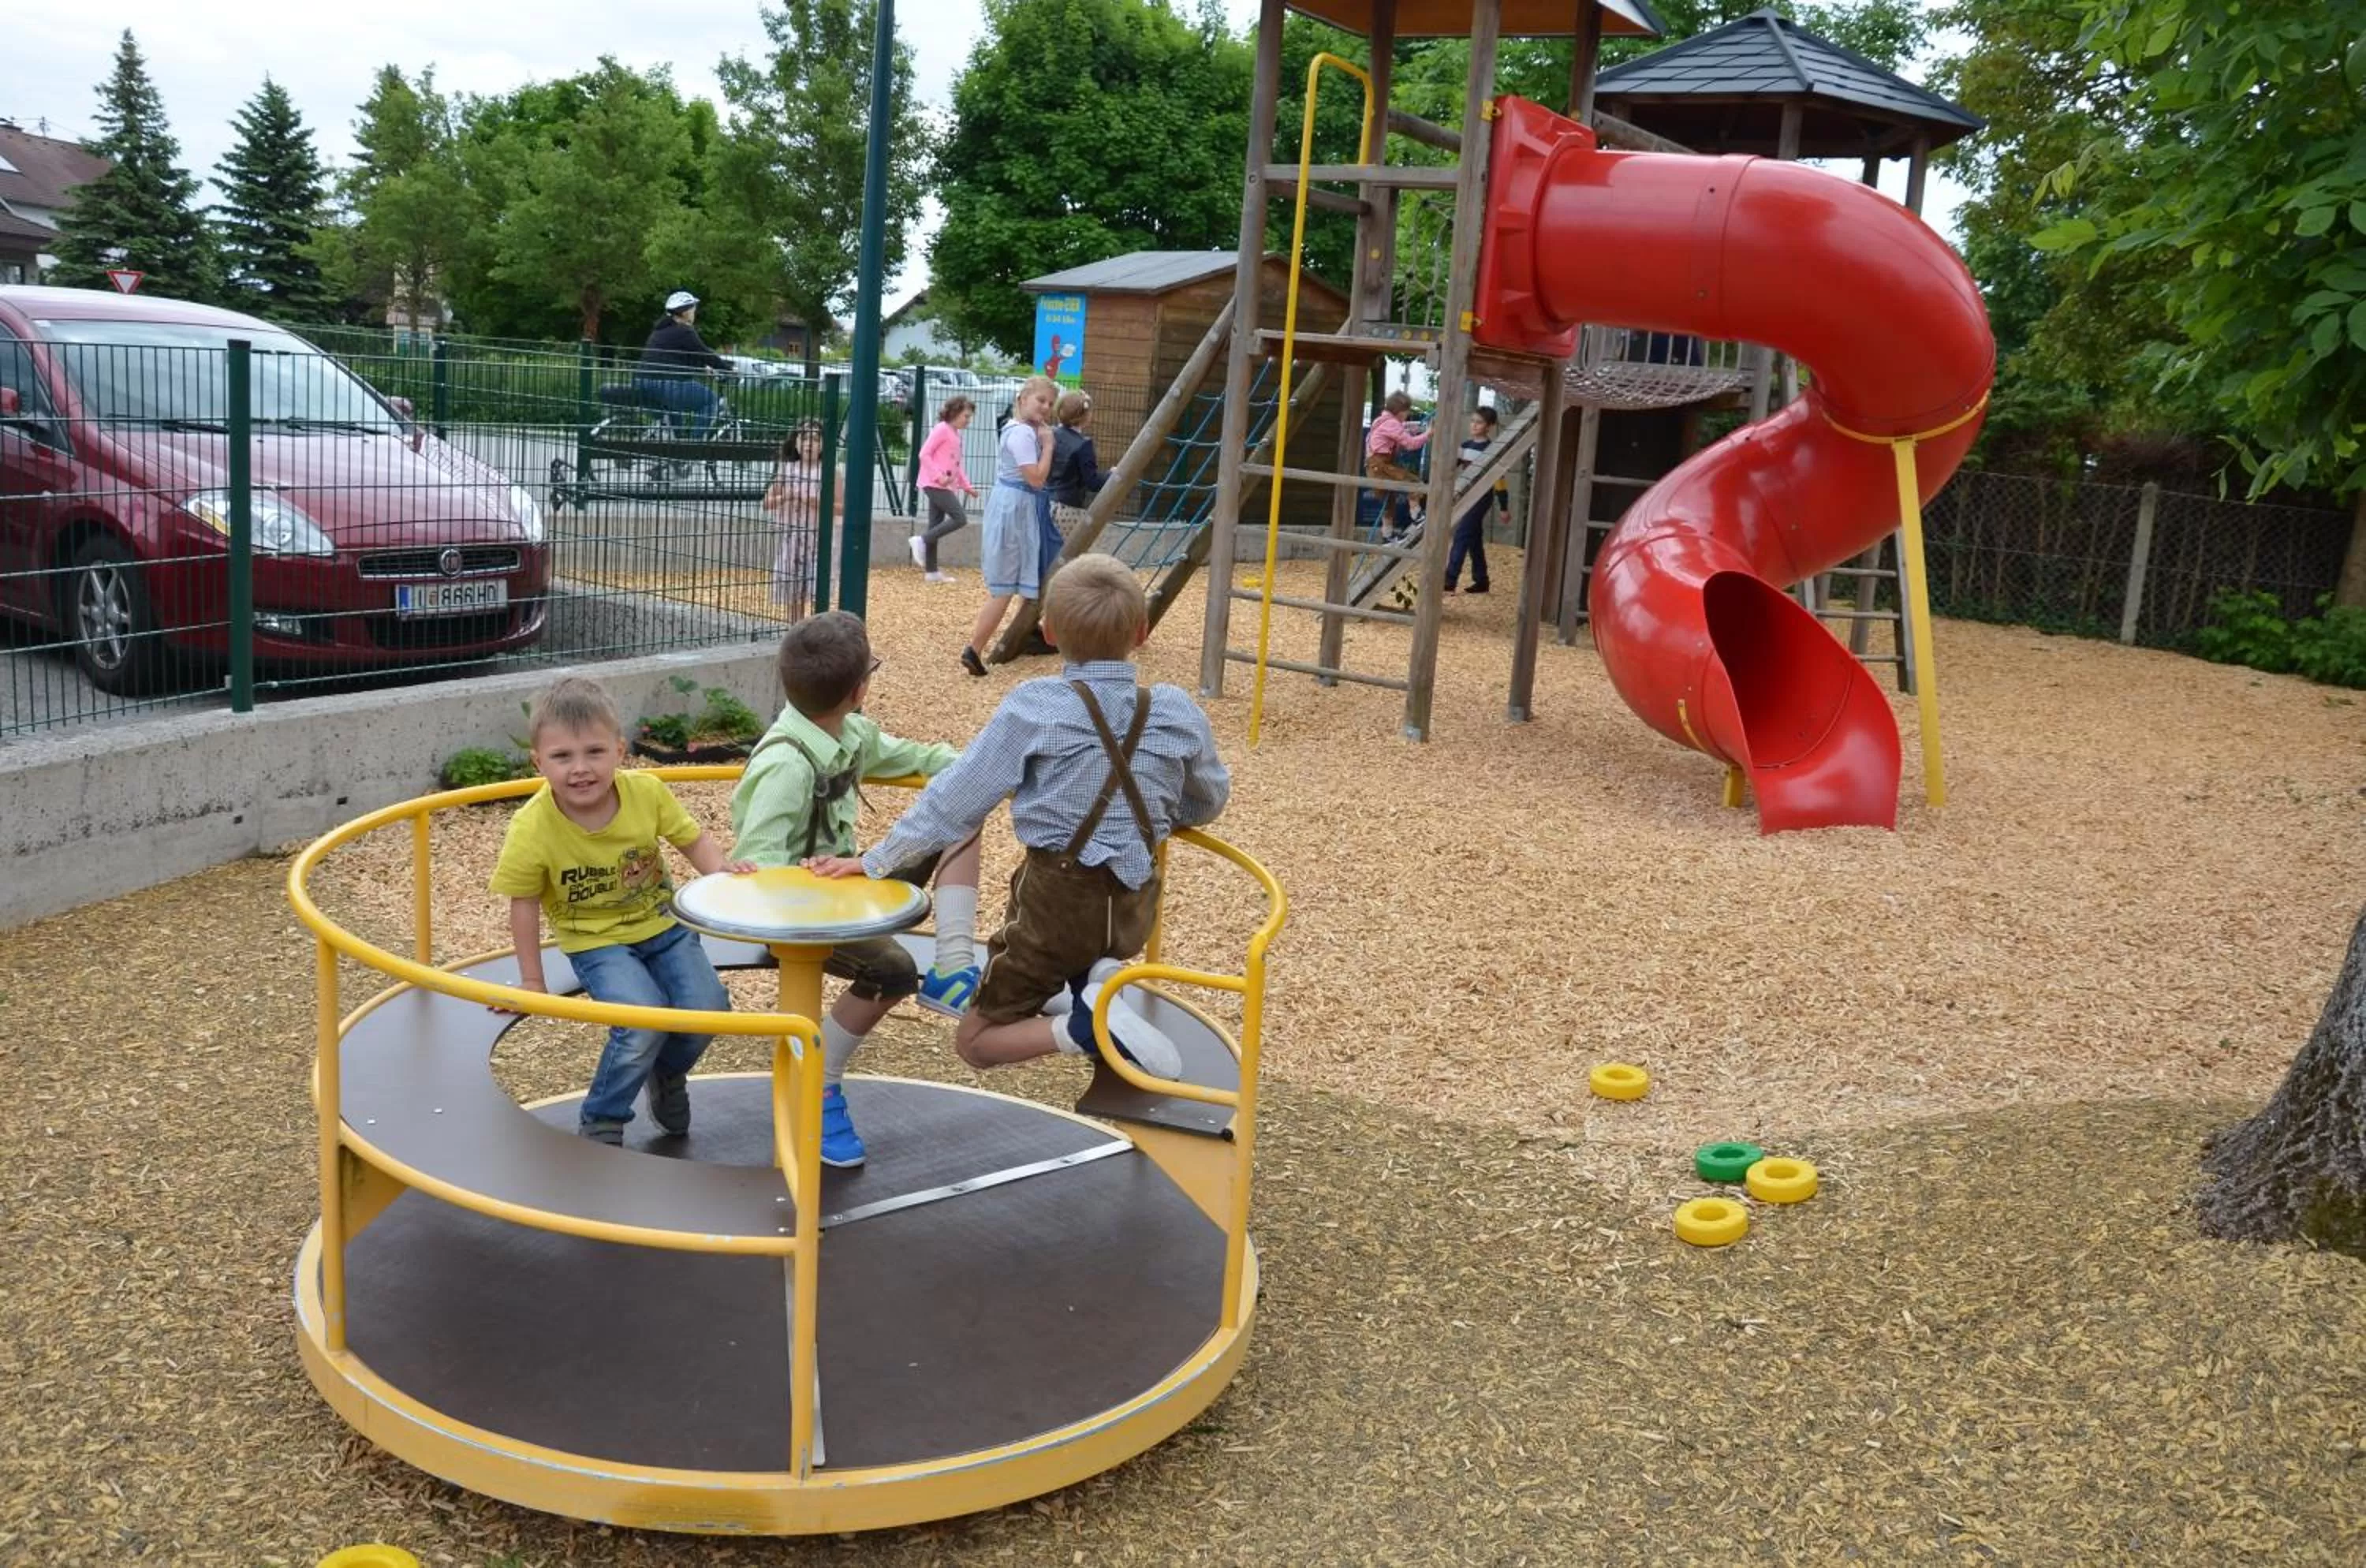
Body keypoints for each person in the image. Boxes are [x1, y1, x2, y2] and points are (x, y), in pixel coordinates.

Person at [810, 554, 1231, 1081]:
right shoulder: (1175, 709)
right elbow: (1209, 800)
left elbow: (955, 799)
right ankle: (1095, 982)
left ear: (1049, 633)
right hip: (1131, 913)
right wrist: (1156, 816)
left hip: (1056, 910)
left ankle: (1085, 1027)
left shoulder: (1038, 706)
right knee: (1079, 958)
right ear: (1142, 632)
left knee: (976, 1042)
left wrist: (875, 861)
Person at [730, 613, 983, 1167]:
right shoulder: (784, 766)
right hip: (800, 914)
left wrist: (989, 767)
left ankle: (952, 966)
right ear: (859, 689)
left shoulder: (851, 734)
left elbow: (920, 758)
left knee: (964, 806)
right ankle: (819, 1082)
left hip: (850, 886)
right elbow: (760, 868)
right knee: (890, 971)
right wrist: (816, 878)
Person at [490, 675, 753, 1144]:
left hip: (664, 927)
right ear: (538, 762)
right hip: (596, 941)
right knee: (641, 1019)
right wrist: (531, 981)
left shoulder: (645, 793)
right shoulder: (532, 827)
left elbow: (691, 839)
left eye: (594, 752)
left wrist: (722, 876)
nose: (580, 769)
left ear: (620, 750)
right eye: (562, 757)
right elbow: (524, 902)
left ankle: (667, 1075)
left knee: (709, 1008)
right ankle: (604, 1117)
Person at [962, 374, 1059, 678]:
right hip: (1015, 507)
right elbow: (1036, 478)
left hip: (1017, 505)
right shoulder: (1022, 434)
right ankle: (974, 648)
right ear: (1022, 399)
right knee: (1004, 587)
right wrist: (1049, 446)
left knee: (1019, 580)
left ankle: (1029, 632)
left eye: (1050, 403)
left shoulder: (1019, 430)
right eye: (1040, 400)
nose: (1045, 408)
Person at [763, 421, 841, 618]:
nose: (809, 444)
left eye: (815, 439)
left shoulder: (830, 472)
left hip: (819, 538)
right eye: (804, 438)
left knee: (817, 588)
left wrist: (819, 503)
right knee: (793, 589)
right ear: (796, 443)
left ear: (823, 445)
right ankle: (796, 630)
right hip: (792, 538)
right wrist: (785, 498)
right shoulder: (787, 470)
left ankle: (817, 630)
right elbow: (767, 503)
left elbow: (842, 508)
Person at [636, 290, 731, 436]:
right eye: (693, 309)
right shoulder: (684, 331)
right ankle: (693, 449)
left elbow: (678, 355)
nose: (694, 313)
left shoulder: (660, 330)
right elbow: (704, 353)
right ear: (685, 312)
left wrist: (702, 367)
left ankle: (676, 450)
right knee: (710, 401)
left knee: (675, 412)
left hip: (643, 382)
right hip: (665, 384)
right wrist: (728, 370)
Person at [909, 395, 979, 584]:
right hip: (935, 484)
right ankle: (921, 540)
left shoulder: (955, 434)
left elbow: (957, 465)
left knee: (936, 524)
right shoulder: (942, 429)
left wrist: (967, 486)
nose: (968, 420)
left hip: (942, 484)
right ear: (954, 413)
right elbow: (924, 454)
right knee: (959, 518)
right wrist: (939, 476)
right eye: (966, 416)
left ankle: (931, 572)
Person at [1444, 405, 1506, 595]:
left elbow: (1500, 480)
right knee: (1473, 539)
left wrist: (1504, 507)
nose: (1474, 425)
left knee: (1462, 535)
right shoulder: (1465, 447)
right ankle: (1482, 580)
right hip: (1466, 496)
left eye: (1479, 422)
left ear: (1489, 426)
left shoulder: (1491, 450)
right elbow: (1449, 467)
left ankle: (1449, 581)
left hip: (1481, 498)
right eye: (1472, 421)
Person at [1365, 390, 1432, 539]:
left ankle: (1387, 535)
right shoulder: (1392, 424)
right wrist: (1427, 434)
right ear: (1400, 412)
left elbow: (1402, 428)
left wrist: (1418, 428)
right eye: (1407, 411)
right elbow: (1410, 444)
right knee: (1413, 482)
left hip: (1373, 467)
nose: (1407, 414)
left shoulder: (1381, 421)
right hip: (1381, 465)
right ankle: (1417, 514)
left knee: (1389, 500)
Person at [1045, 390, 1109, 539]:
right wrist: (1111, 475)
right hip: (1069, 509)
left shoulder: (1051, 433)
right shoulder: (1083, 444)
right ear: (1085, 416)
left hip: (1047, 503)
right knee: (1070, 555)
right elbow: (1092, 482)